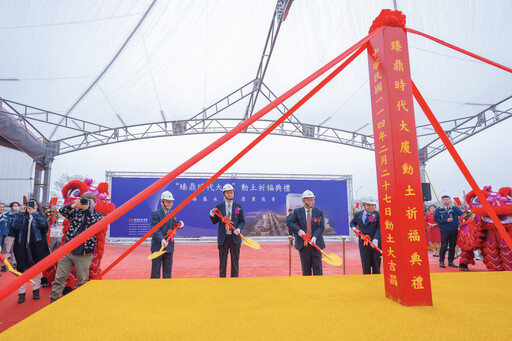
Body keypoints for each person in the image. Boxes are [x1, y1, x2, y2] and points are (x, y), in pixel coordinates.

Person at [49, 193, 103, 303]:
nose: (86, 203)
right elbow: (62, 211)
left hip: (84, 253)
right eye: (84, 200)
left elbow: (94, 222)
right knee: (59, 279)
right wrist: (73, 206)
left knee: (82, 281)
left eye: (89, 201)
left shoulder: (98, 215)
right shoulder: (76, 212)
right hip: (68, 250)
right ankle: (53, 302)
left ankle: (80, 303)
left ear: (94, 203)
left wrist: (87, 209)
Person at [11, 199, 50, 303]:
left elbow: (44, 226)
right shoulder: (22, 216)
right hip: (22, 247)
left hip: (37, 248)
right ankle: (21, 292)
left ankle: (35, 289)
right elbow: (15, 226)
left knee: (36, 269)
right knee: (21, 270)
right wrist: (20, 213)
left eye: (34, 205)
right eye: (29, 205)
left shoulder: (40, 217)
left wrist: (35, 214)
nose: (31, 207)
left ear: (37, 207)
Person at [286, 190, 325, 276]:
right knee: (306, 271)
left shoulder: (318, 212)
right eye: (309, 200)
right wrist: (299, 231)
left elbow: (321, 227)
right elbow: (289, 222)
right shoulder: (297, 212)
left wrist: (315, 237)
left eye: (312, 200)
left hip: (316, 245)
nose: (311, 202)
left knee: (318, 271)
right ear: (303, 201)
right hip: (303, 246)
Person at [210, 184, 245, 278]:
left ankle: (234, 281)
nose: (230, 194)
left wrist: (238, 229)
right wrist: (212, 216)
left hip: (235, 238)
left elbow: (242, 221)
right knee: (222, 262)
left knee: (235, 262)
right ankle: (222, 281)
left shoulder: (238, 207)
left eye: (231, 192)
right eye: (228, 193)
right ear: (224, 194)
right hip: (223, 238)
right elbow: (215, 222)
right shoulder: (219, 206)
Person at [150, 191, 184, 279]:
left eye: (171, 202)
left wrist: (179, 225)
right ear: (162, 202)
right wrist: (162, 239)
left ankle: (167, 290)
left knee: (168, 273)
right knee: (155, 273)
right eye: (167, 202)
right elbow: (155, 229)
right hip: (158, 247)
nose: (169, 204)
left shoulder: (172, 214)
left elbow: (172, 226)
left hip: (169, 247)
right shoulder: (155, 214)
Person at [350, 199, 381, 274]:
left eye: (373, 205)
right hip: (363, 245)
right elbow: (352, 223)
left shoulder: (377, 215)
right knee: (365, 267)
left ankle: (375, 283)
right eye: (369, 205)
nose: (371, 207)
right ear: (364, 205)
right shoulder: (358, 215)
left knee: (376, 267)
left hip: (375, 244)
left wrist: (376, 239)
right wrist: (354, 228)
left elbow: (379, 228)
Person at [434, 195, 464, 268]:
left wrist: (453, 206)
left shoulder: (453, 209)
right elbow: (436, 219)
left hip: (453, 230)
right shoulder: (439, 209)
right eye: (444, 200)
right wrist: (445, 220)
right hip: (444, 230)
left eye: (447, 200)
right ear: (442, 201)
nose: (446, 201)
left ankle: (451, 261)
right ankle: (441, 261)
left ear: (450, 200)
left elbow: (460, 213)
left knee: (452, 246)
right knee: (444, 245)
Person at [2, 201, 21, 271]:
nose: (16, 207)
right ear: (11, 207)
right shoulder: (7, 215)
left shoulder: (20, 215)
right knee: (6, 250)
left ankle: (13, 263)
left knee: (15, 250)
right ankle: (3, 264)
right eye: (14, 206)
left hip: (18, 235)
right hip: (9, 235)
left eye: (17, 205)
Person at [0, 202, 8, 272]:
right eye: (0, 207)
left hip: (1, 238)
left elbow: (7, 228)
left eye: (3, 207)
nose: (2, 208)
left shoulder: (5, 218)